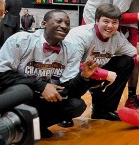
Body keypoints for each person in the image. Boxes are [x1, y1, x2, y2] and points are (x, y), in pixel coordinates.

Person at [0, 10, 98, 138]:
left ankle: (35, 127)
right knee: (23, 90)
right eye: (59, 21)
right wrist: (41, 86)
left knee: (77, 105)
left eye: (67, 23)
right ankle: (10, 126)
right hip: (19, 95)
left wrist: (84, 76)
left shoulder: (71, 50)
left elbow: (70, 90)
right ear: (44, 23)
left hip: (44, 99)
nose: (64, 26)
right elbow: (2, 75)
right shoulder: (21, 40)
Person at [65, 4, 139, 121]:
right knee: (77, 104)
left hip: (95, 73)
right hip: (74, 76)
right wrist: (104, 74)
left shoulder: (117, 37)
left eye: (114, 22)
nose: (110, 26)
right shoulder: (81, 35)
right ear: (97, 21)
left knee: (127, 62)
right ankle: (64, 111)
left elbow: (135, 55)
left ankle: (103, 110)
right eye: (106, 21)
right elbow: (72, 65)